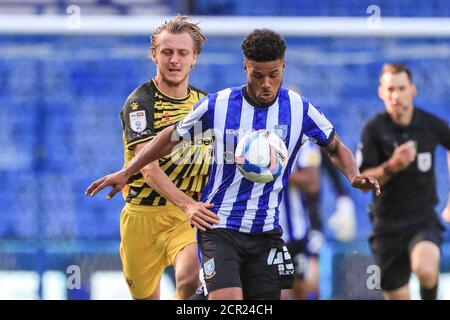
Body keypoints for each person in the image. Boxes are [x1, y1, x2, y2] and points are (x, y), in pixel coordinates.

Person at [86, 29, 380, 300]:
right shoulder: (219, 105)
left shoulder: (301, 109)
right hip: (220, 227)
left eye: (273, 75)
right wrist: (127, 171)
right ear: (245, 68)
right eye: (257, 75)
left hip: (267, 231)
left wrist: (353, 175)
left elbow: (335, 145)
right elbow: (170, 137)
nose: (266, 84)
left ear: (283, 69)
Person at [107, 15, 217, 300]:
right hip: (142, 217)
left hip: (185, 216)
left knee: (190, 276)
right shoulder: (140, 103)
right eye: (167, 52)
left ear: (194, 59)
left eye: (183, 53)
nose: (174, 60)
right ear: (153, 54)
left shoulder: (205, 106)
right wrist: (189, 204)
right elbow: (148, 169)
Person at [357, 63, 450, 300]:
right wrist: (392, 166)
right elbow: (361, 181)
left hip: (423, 221)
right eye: (390, 89)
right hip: (387, 227)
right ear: (381, 92)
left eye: (401, 88)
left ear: (413, 90)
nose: (395, 95)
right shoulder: (373, 131)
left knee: (426, 268)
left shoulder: (429, 125)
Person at [279, 141, 324, 300]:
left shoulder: (305, 142)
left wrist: (278, 168)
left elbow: (313, 184)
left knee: (302, 286)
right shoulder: (250, 136)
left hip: (295, 232)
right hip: (261, 232)